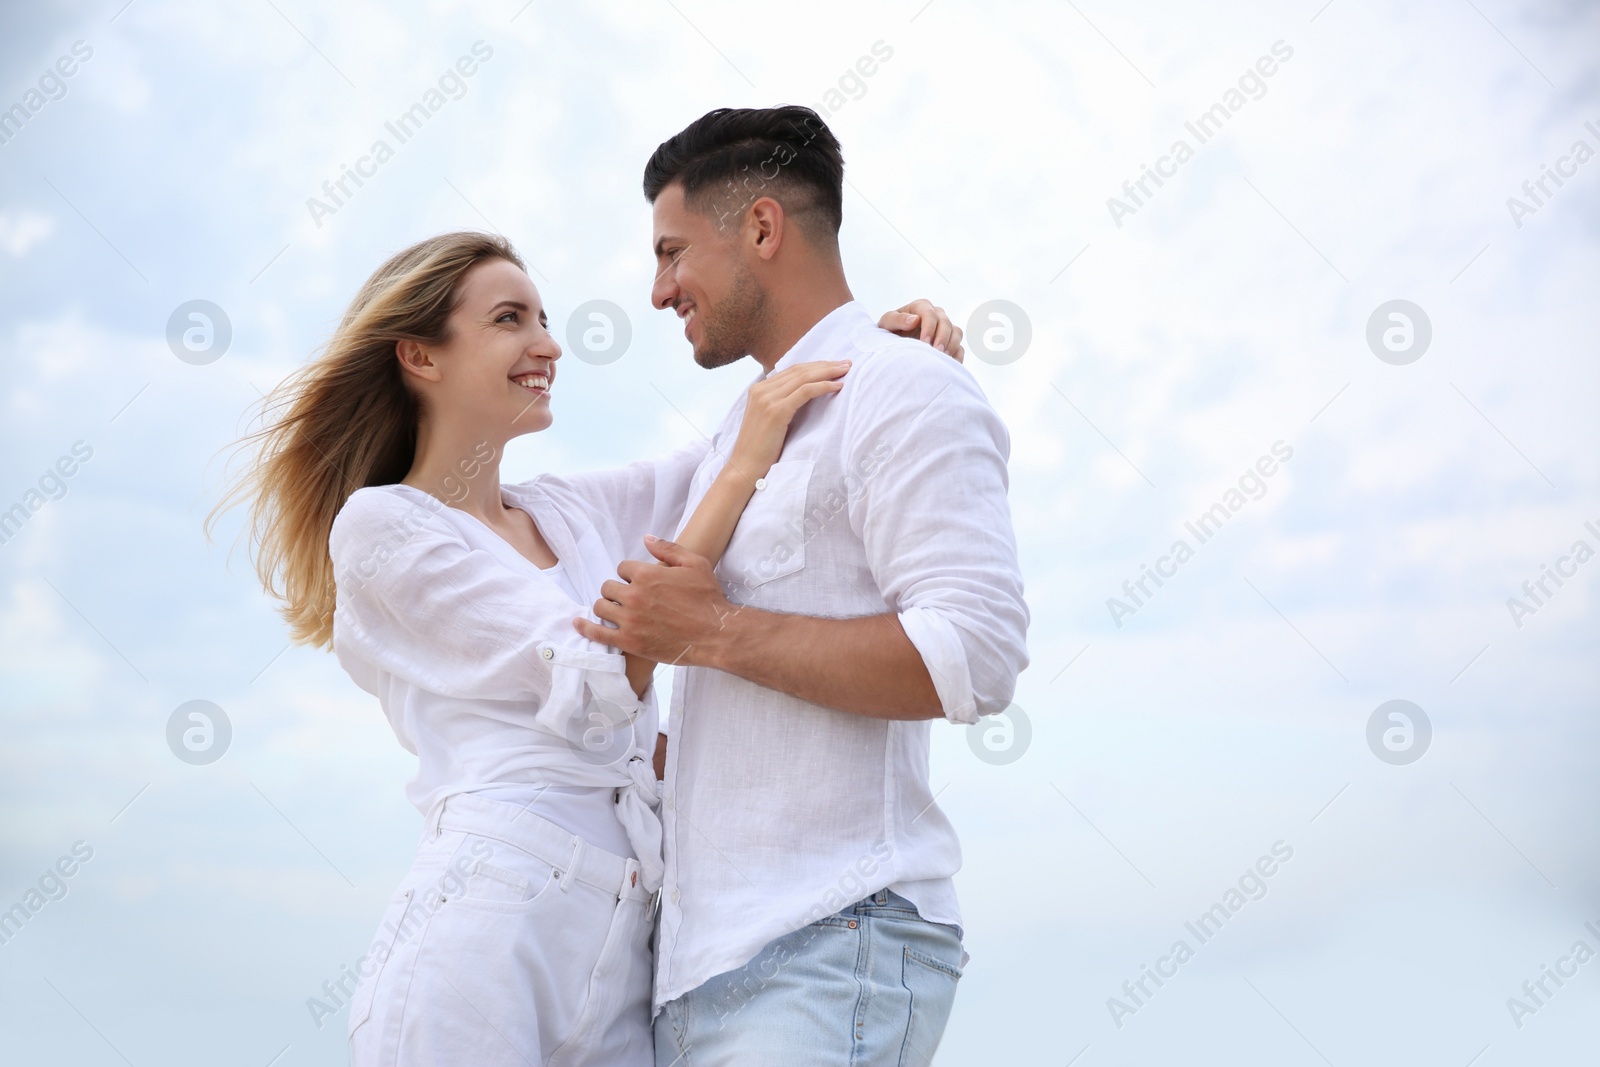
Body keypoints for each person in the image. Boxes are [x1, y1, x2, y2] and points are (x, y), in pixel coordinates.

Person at [211, 230, 963, 1066]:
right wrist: (745, 462)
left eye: (543, 317)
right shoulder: (386, 528)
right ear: (420, 357)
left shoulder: (566, 513)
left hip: (624, 961)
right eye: (509, 319)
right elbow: (606, 673)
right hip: (488, 933)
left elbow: (730, 456)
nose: (547, 343)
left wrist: (873, 357)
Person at [575, 106, 1030, 1066]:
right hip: (693, 978)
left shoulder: (904, 386)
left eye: (671, 253)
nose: (659, 291)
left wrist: (714, 633)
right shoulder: (733, 441)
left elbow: (976, 653)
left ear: (764, 229)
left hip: (829, 949)